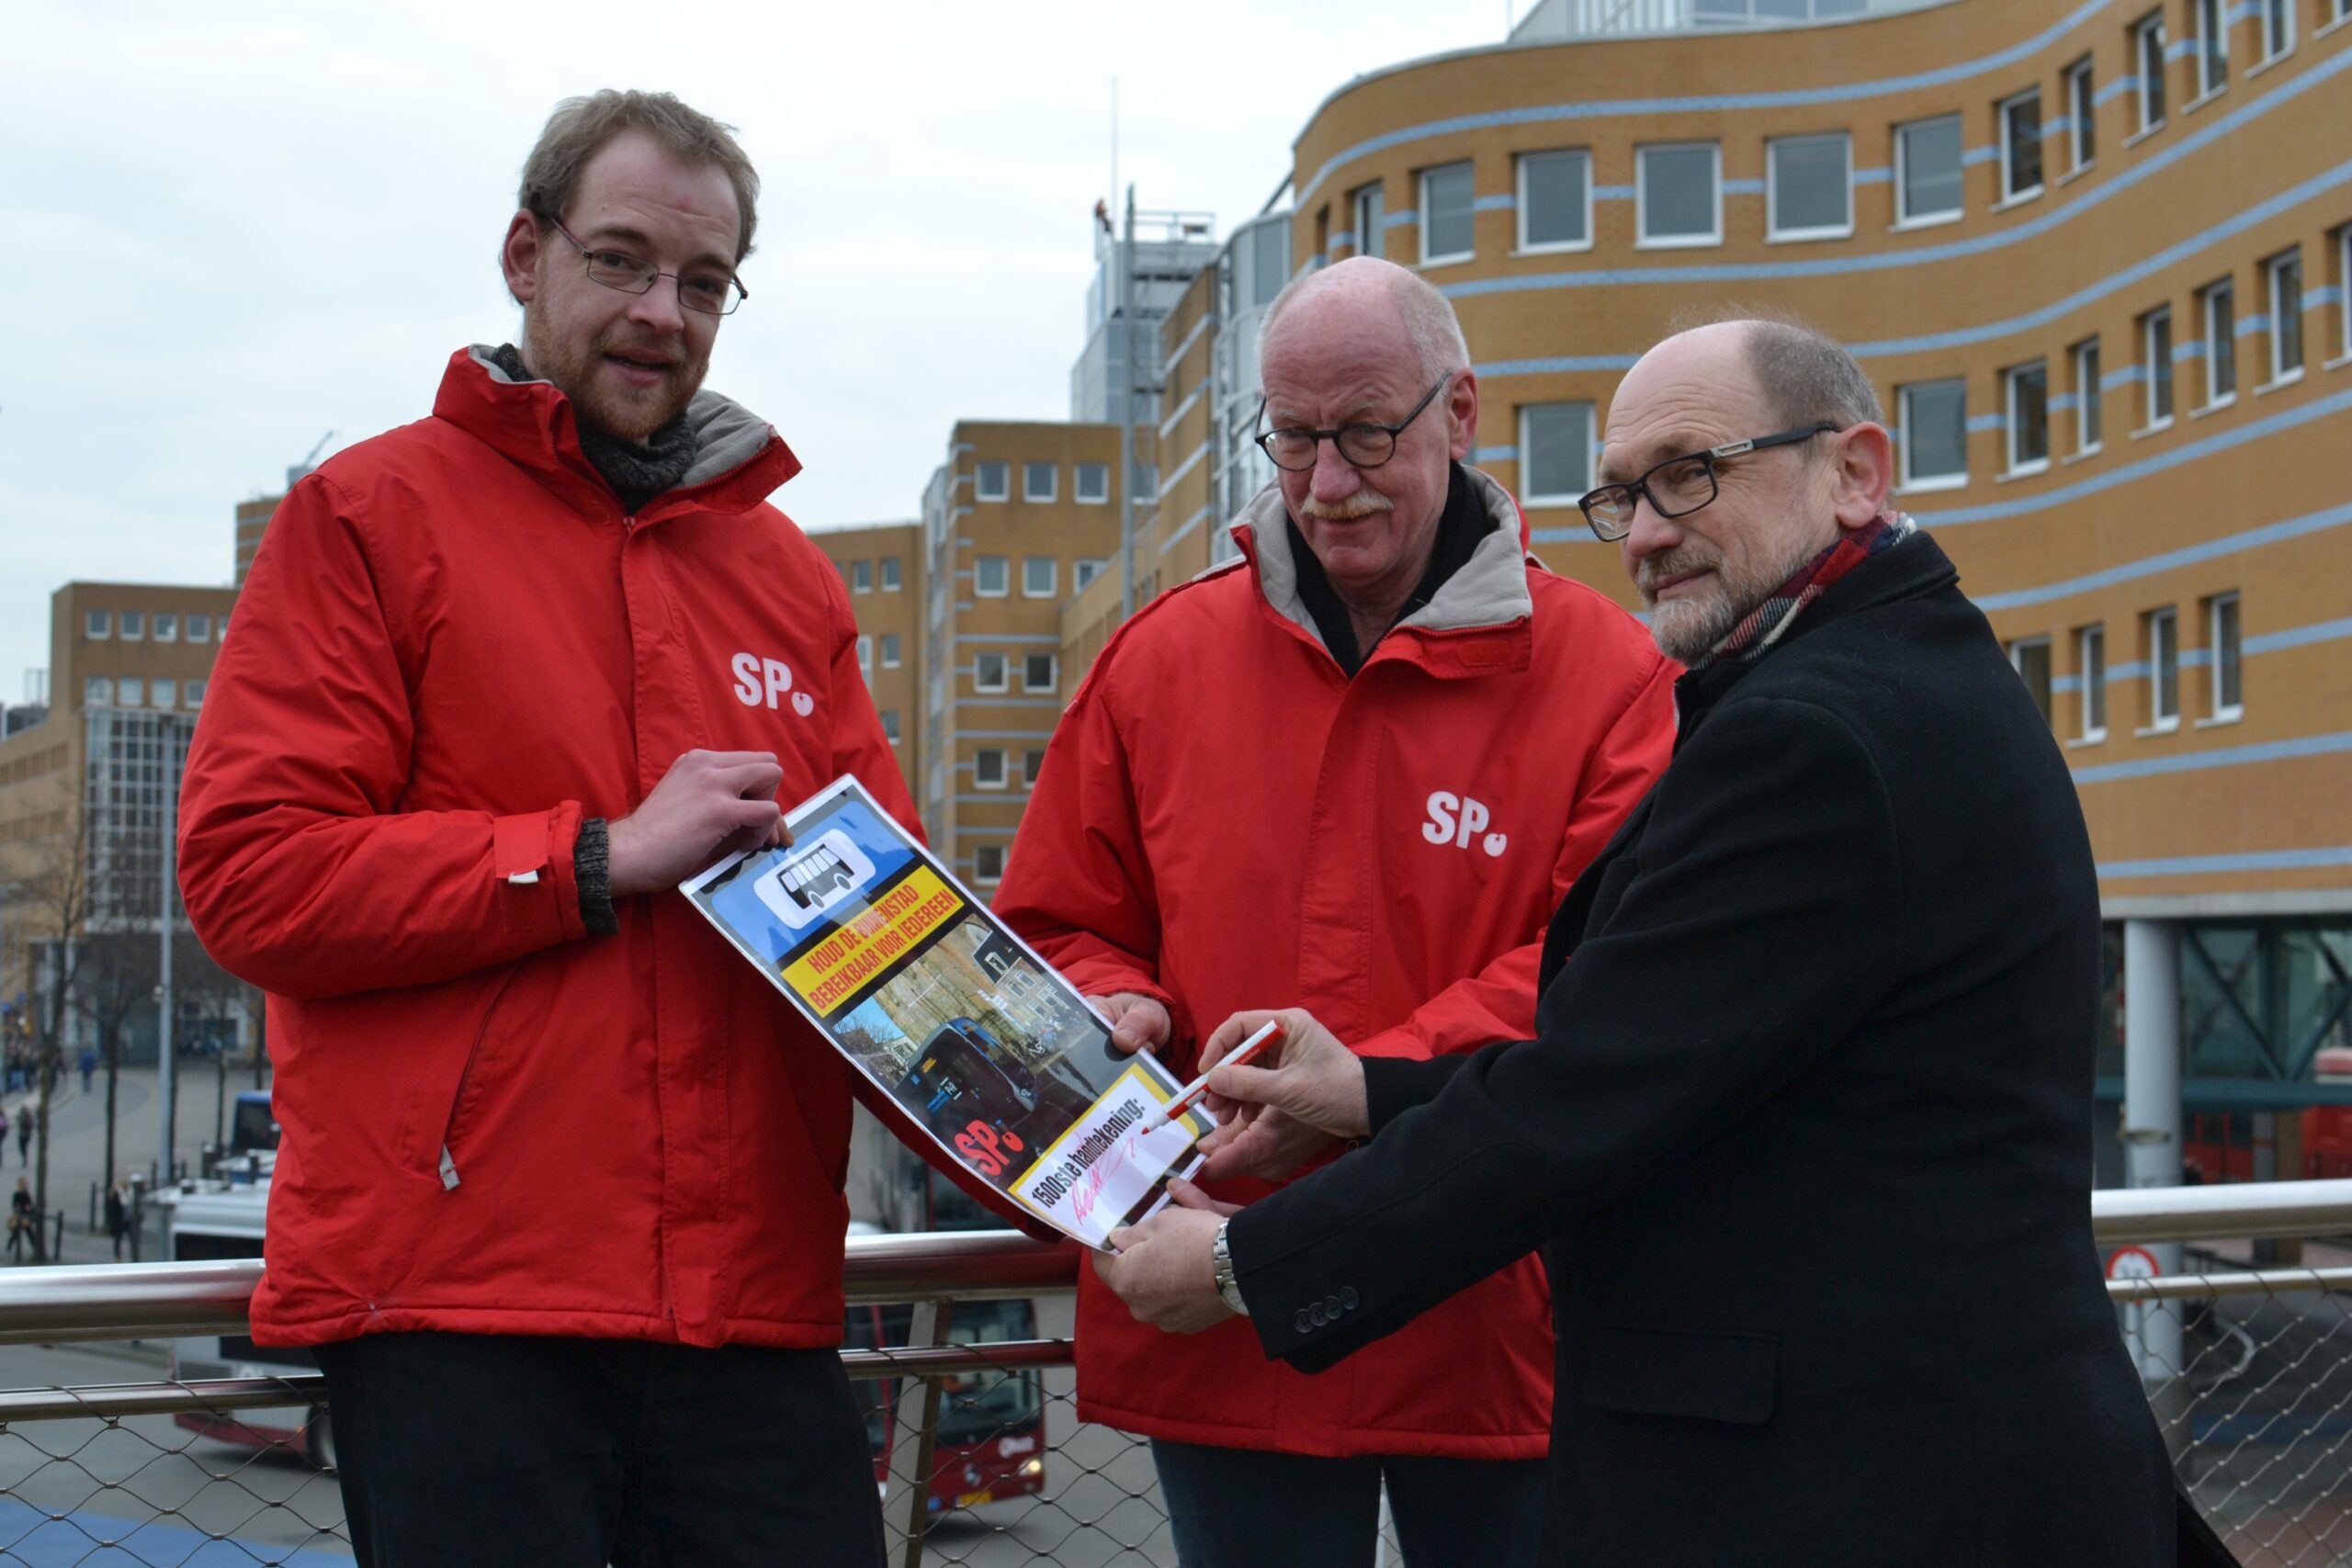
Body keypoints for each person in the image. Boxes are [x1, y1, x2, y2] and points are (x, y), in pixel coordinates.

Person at [1097, 318, 2221, 1565]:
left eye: (1691, 473)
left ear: (1855, 469)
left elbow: (1590, 1094)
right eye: (1622, 495)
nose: (1642, 532)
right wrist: (1363, 1087)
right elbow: (1671, 1056)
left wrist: (1250, 1260)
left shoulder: (1816, 738)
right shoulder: (1896, 674)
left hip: (1858, 1485)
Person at [178, 90, 909, 1568]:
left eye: (705, 283)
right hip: (462, 1307)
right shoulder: (366, 515)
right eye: (625, 261)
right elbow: (249, 877)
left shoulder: (788, 578)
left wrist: (1093, 1095)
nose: (664, 312)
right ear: (526, 252)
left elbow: (881, 934)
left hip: (748, 1303)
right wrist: (593, 854)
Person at [993, 256, 1675, 1567]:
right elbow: (1056, 925)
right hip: (1226, 1318)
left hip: (1500, 1312)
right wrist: (1109, 994)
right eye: (1294, 436)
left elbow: (1605, 979)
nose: (1327, 481)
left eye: (1368, 431)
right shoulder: (1157, 661)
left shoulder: (1612, 677)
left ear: (1459, 412)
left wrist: (1355, 1084)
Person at [7, 1178, 32, 1262]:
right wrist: (22, 1208)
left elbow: (29, 1203)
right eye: (25, 1183)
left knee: (28, 1233)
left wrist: (28, 1207)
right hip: (20, 1217)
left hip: (25, 1217)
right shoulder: (17, 1194)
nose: (26, 1184)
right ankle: (9, 1247)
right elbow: (15, 1205)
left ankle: (36, 1248)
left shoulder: (26, 1193)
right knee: (16, 1234)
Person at [105, 1180, 128, 1262]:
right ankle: (118, 1257)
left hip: (122, 1222)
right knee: (117, 1240)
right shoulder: (118, 1195)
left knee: (118, 1240)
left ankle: (118, 1257)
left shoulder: (121, 1195)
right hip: (119, 1222)